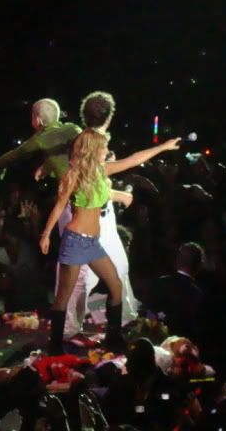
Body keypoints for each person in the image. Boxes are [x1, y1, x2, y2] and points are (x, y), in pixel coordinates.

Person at [40, 129, 181, 355]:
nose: (107, 150)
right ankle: (55, 346)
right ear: (93, 149)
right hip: (75, 242)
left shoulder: (102, 170)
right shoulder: (73, 175)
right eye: (104, 147)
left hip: (93, 243)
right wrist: (46, 234)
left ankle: (113, 338)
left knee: (115, 285)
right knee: (63, 298)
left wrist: (163, 147)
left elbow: (134, 159)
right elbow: (59, 206)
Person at [59, 91, 141, 338]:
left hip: (92, 214)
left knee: (112, 269)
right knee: (83, 278)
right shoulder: (89, 141)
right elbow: (89, 183)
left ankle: (117, 321)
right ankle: (71, 328)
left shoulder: (88, 139)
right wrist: (119, 195)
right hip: (89, 216)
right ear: (110, 116)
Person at [0, 99, 81, 185]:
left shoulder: (41, 138)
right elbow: (63, 150)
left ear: (37, 120)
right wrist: (46, 166)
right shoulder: (73, 127)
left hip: (73, 190)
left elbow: (13, 155)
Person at [150, 242, 205, 341]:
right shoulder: (199, 295)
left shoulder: (160, 283)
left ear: (177, 261)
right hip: (184, 347)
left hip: (157, 342)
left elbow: (147, 313)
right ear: (199, 266)